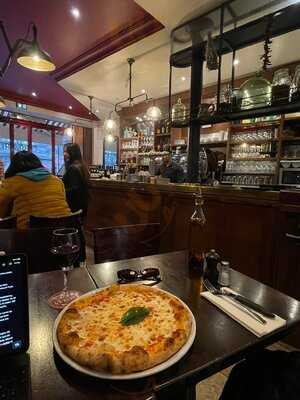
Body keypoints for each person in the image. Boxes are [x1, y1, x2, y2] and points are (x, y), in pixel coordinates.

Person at [0, 151, 70, 229]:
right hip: (63, 232)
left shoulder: (12, 182)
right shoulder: (57, 181)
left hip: (28, 236)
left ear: (13, 166)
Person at [62, 143, 90, 218]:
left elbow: (74, 189)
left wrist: (60, 191)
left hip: (74, 206)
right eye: (64, 152)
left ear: (73, 153)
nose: (64, 154)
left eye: (66, 152)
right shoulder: (82, 166)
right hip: (82, 204)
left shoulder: (73, 168)